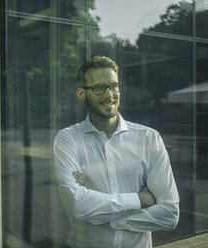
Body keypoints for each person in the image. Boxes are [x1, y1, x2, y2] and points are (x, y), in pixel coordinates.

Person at [53, 56, 179, 248]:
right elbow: (78, 206)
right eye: (98, 88)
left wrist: (108, 217)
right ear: (81, 93)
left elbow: (169, 215)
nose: (109, 94)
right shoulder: (68, 139)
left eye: (114, 86)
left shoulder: (149, 139)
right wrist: (141, 199)